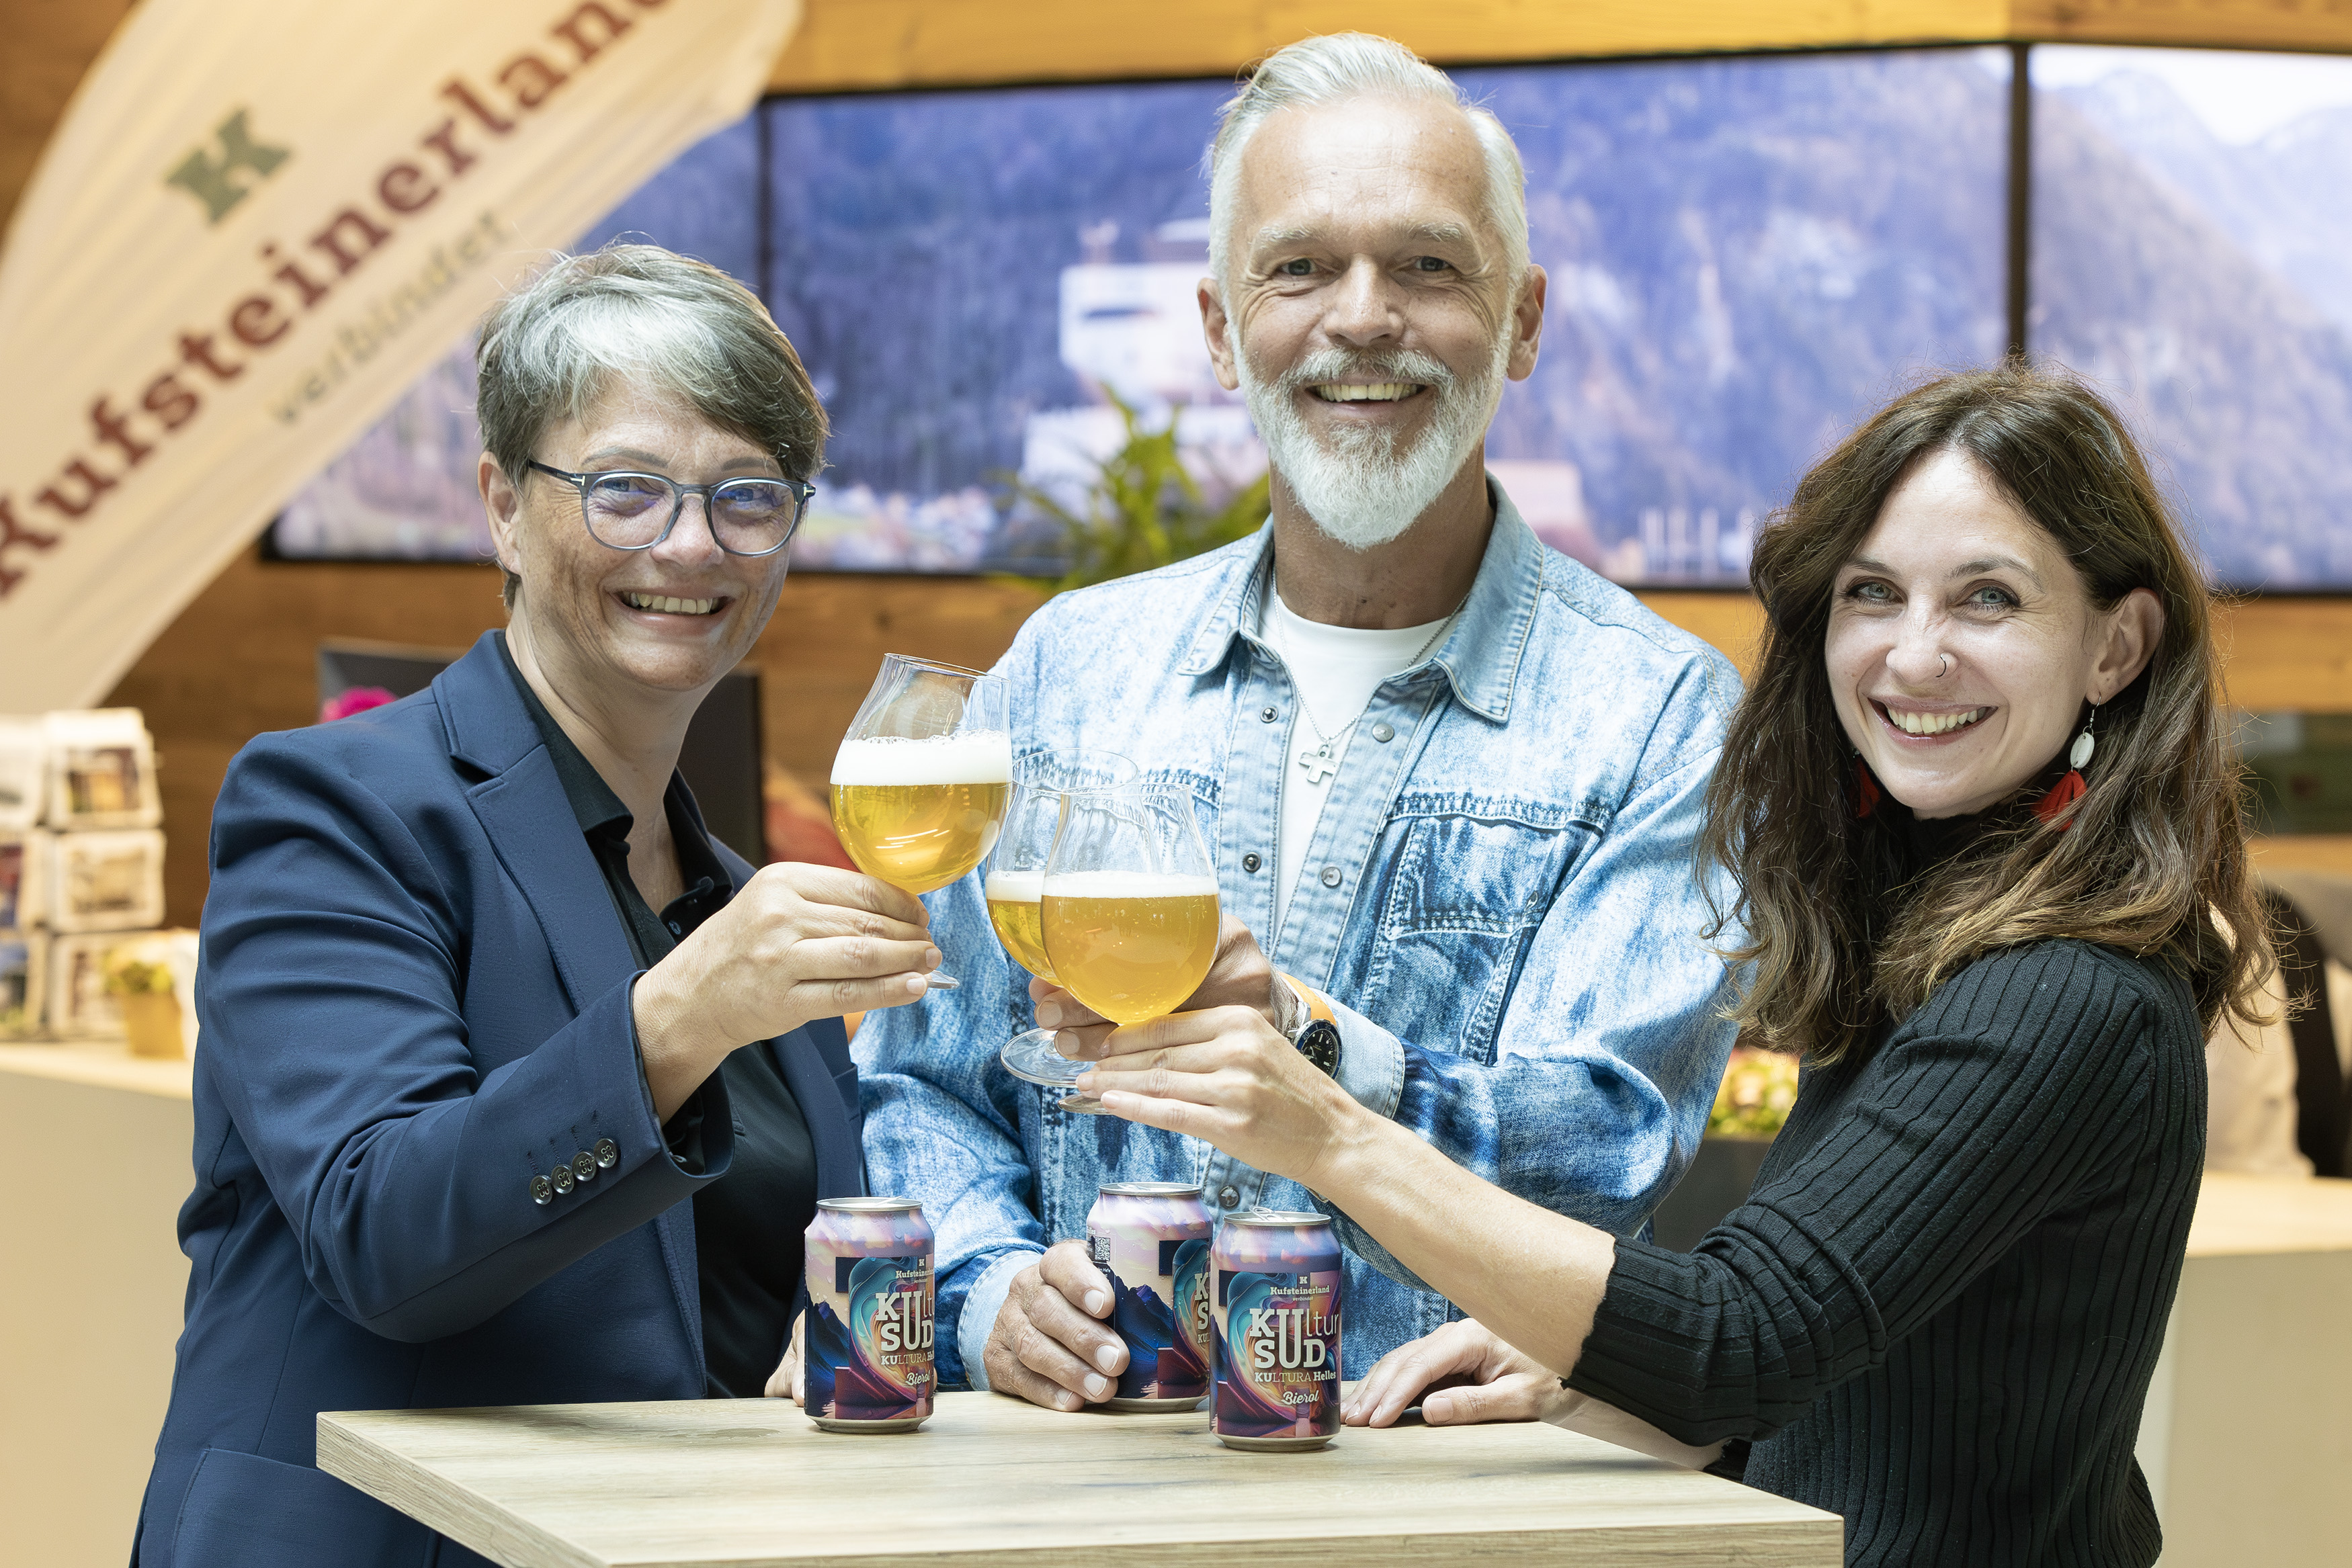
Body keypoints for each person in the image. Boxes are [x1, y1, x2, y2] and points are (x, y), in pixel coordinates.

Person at [1084, 364, 2271, 1566]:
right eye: (1874, 592)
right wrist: (1591, 1383)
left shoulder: (2061, 990)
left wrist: (1327, 1132)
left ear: (2118, 645)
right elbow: (1866, 1398)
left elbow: (1744, 1338)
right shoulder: (1935, 950)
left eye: (1988, 599)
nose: (1916, 655)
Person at [850, 32, 1742, 1412]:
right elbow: (930, 1075)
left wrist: (1313, 1051)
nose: (1363, 315)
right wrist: (982, 1291)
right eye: (1299, 267)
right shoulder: (1065, 671)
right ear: (1220, 327)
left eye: (1429, 266)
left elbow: (1612, 1146)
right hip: (1075, 1501)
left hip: (1438, 1508)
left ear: (1521, 321)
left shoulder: (1662, 715)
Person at [134, 246, 942, 1567]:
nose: (692, 545)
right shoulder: (334, 806)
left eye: (750, 496)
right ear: (503, 505)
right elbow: (382, 1235)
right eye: (626, 490)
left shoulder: (737, 903)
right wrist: (674, 1018)